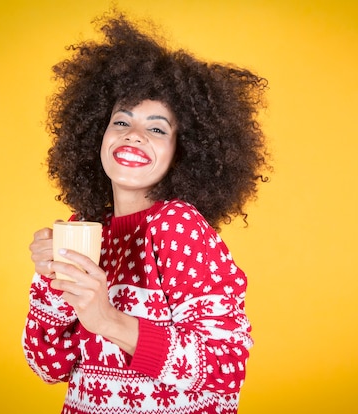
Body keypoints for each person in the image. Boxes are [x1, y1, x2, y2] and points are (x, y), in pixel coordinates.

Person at [22, 10, 270, 414]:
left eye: (157, 129)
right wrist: (51, 282)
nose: (133, 134)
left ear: (184, 152)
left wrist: (108, 320)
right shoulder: (83, 230)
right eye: (121, 121)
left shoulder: (178, 226)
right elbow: (48, 366)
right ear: (95, 136)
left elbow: (224, 367)